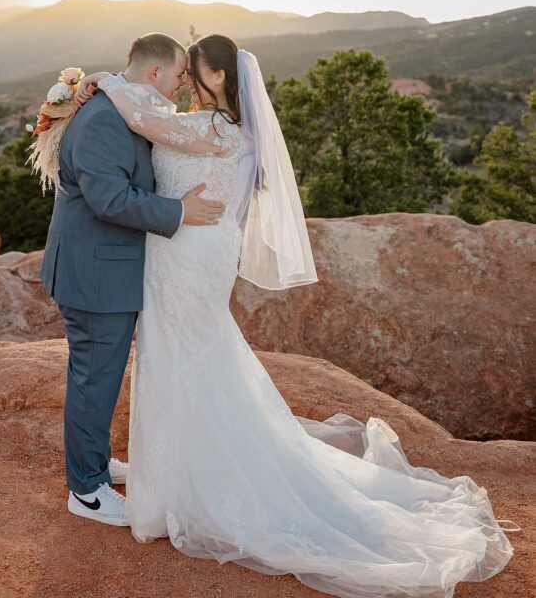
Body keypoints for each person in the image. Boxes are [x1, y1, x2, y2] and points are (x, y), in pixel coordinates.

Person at [73, 33, 520, 598]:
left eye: (193, 72)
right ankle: (173, 476)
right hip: (198, 252)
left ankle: (180, 488)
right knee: (192, 356)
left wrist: (101, 83)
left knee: (179, 356)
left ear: (215, 78)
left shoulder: (212, 130)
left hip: (185, 254)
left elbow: (143, 122)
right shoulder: (237, 130)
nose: (184, 81)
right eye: (179, 72)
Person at [37, 33, 229, 527]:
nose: (183, 82)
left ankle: (95, 464)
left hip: (104, 268)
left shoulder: (120, 103)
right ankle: (86, 489)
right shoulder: (104, 119)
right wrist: (179, 211)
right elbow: (111, 201)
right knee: (93, 380)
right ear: (154, 74)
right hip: (94, 273)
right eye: (180, 73)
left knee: (99, 376)